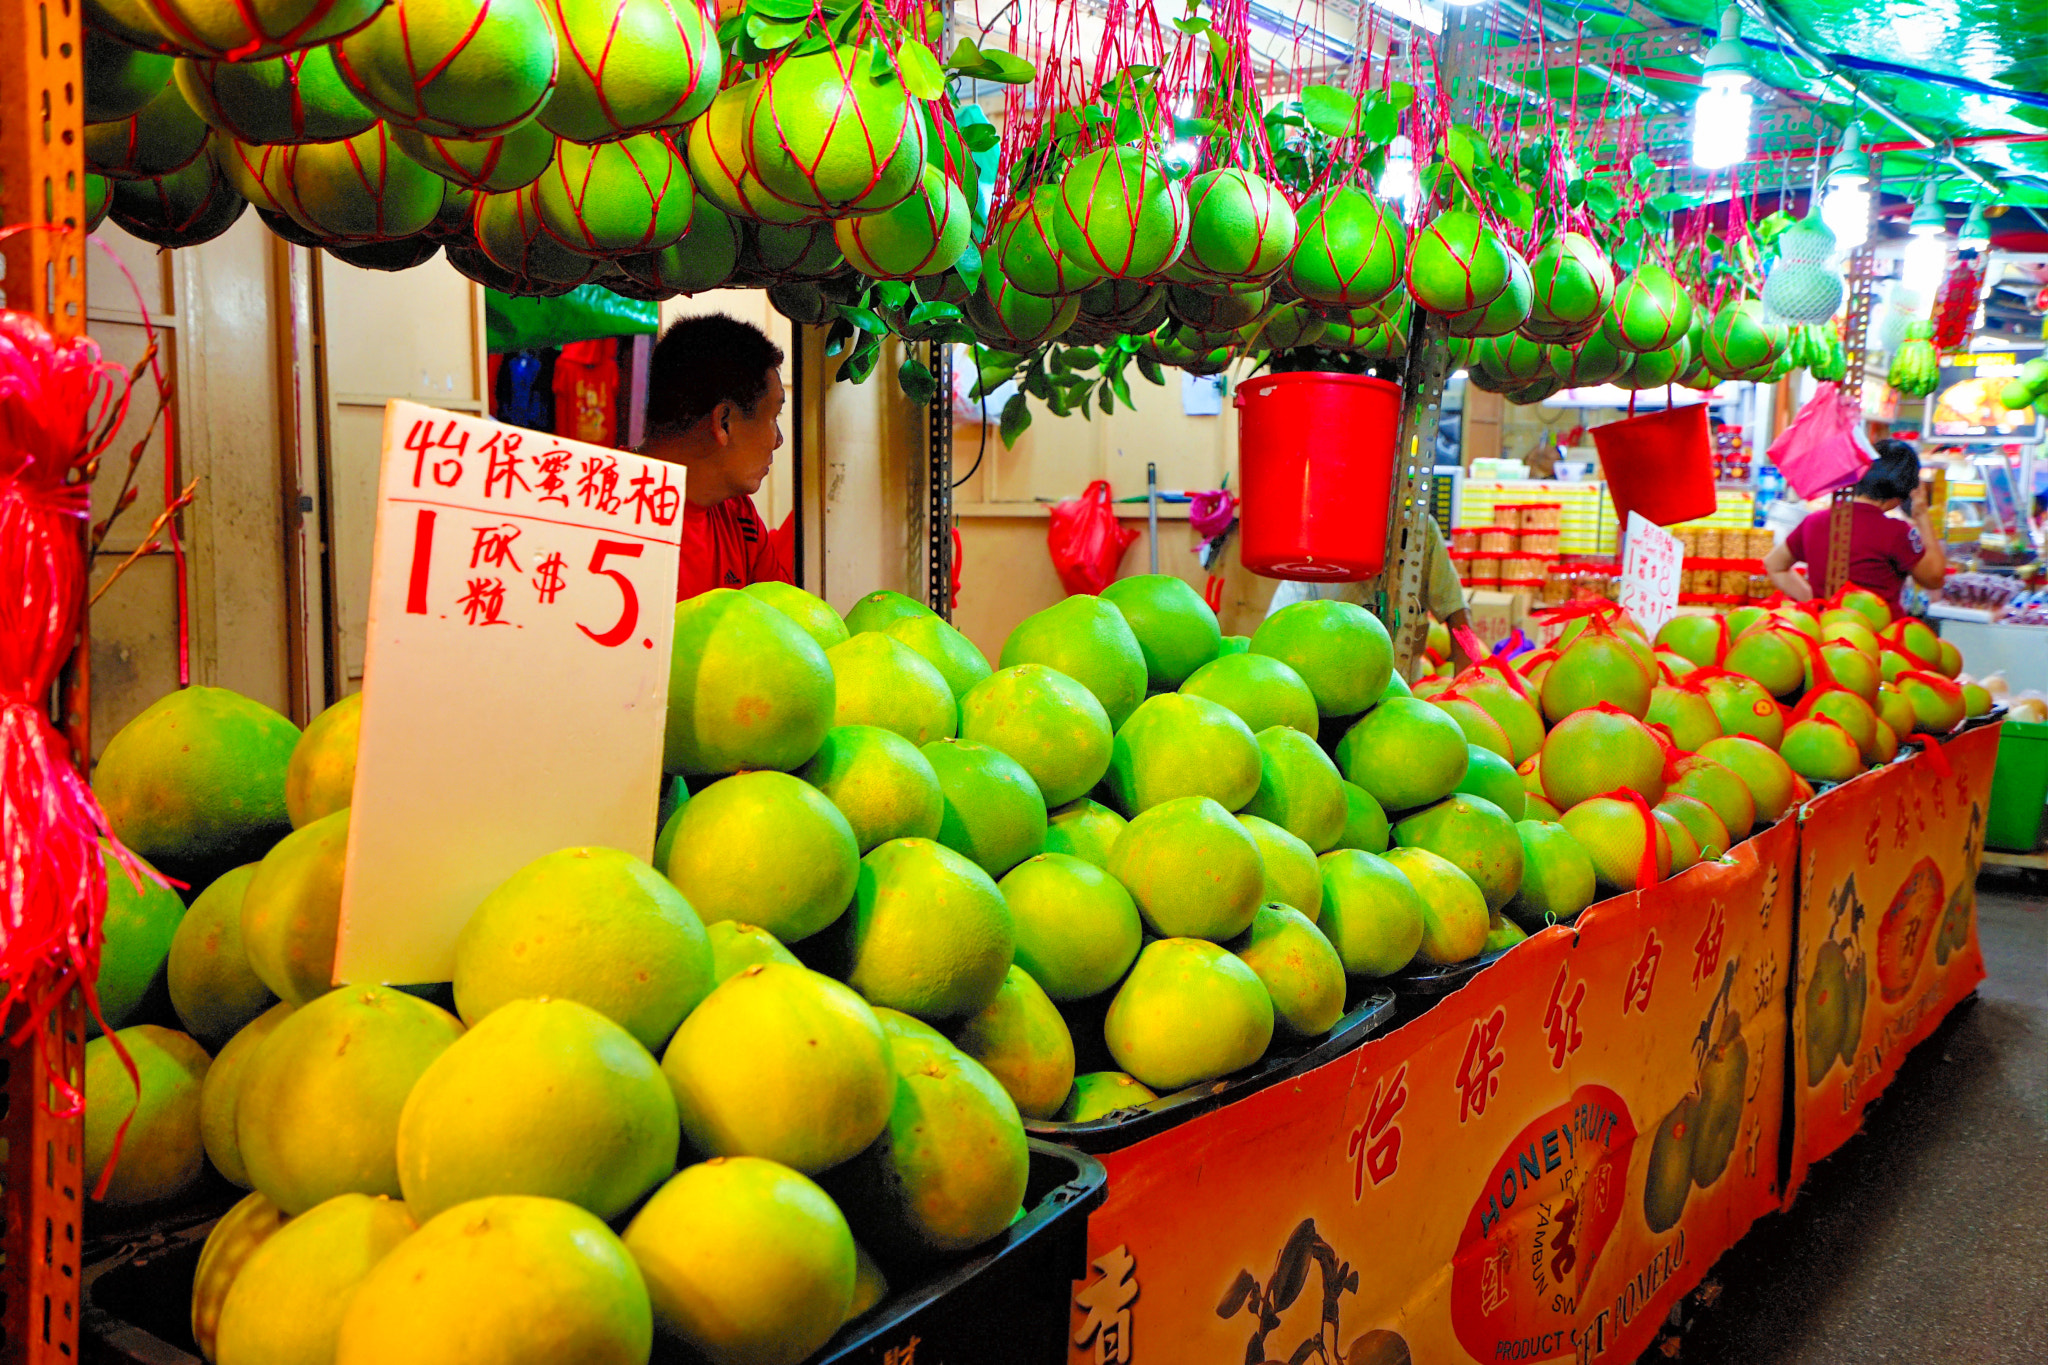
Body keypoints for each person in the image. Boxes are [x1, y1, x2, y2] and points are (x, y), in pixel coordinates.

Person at [640, 314, 794, 599]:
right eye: (773, 416)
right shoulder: (602, 510)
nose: (779, 441)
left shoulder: (740, 517)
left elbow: (786, 620)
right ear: (723, 422)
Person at [1263, 515, 1475, 672]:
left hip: (1406, 694)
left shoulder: (1420, 531)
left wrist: (1468, 680)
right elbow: (1275, 634)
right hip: (1333, 692)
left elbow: (1456, 612)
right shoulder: (1318, 535)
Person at [1763, 438, 1946, 617]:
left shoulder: (1813, 522)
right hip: (1878, 640)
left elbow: (1774, 565)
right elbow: (1934, 579)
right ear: (1906, 489)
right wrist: (1922, 514)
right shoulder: (1896, 532)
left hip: (1826, 633)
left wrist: (1816, 603)